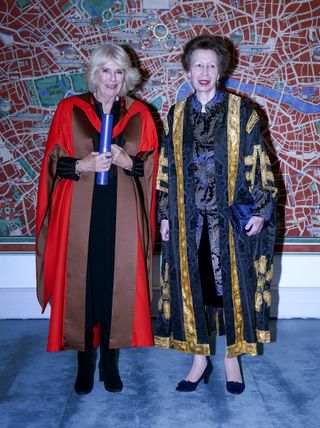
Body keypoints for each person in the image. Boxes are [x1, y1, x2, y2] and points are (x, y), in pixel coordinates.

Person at [155, 35, 277, 394]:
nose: (204, 72)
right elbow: (167, 170)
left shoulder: (243, 113)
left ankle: (230, 360)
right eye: (198, 65)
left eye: (211, 65)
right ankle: (199, 361)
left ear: (221, 70)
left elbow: (259, 163)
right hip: (188, 221)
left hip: (229, 222)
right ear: (188, 71)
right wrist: (164, 214)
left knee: (230, 291)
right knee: (197, 288)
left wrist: (260, 208)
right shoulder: (176, 116)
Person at [36, 44, 158, 395]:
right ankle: (85, 364)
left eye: (119, 72)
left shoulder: (139, 115)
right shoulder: (69, 110)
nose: (112, 79)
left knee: (114, 286)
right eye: (106, 71)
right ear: (94, 73)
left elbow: (150, 168)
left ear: (127, 77)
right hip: (79, 214)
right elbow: (51, 164)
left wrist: (125, 163)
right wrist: (81, 166)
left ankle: (110, 363)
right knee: (84, 288)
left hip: (121, 215)